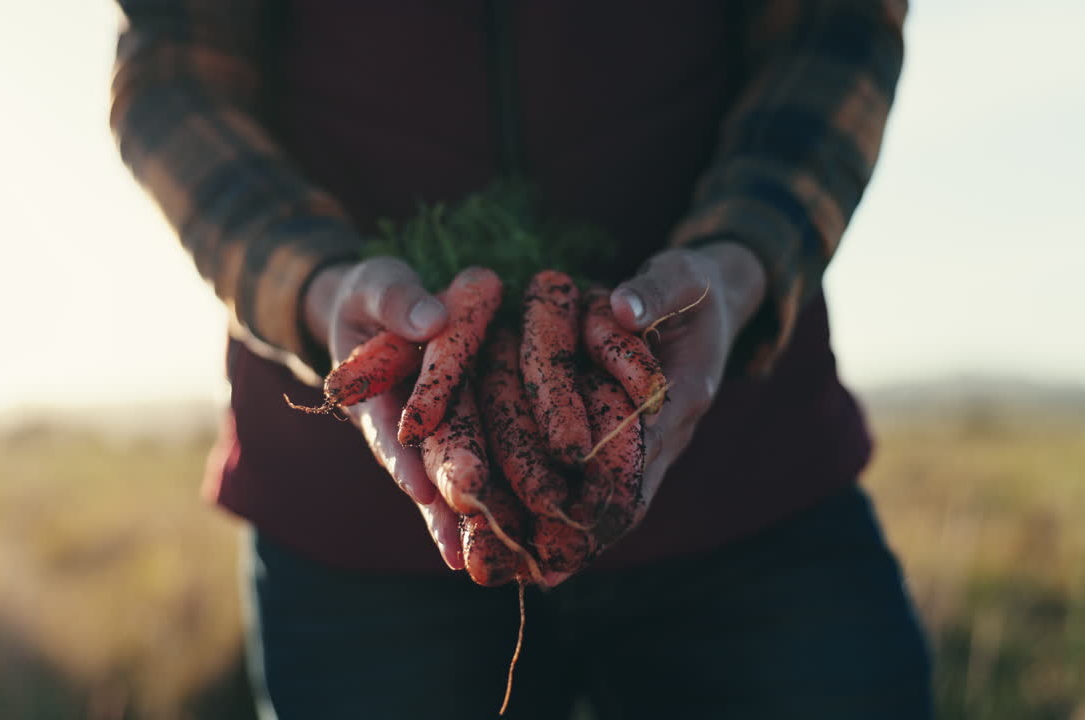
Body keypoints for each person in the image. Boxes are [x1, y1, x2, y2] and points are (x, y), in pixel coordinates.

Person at [111, 1, 931, 717]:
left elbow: (836, 23)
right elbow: (172, 77)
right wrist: (315, 286)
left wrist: (741, 255)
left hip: (744, 470)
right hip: (353, 518)